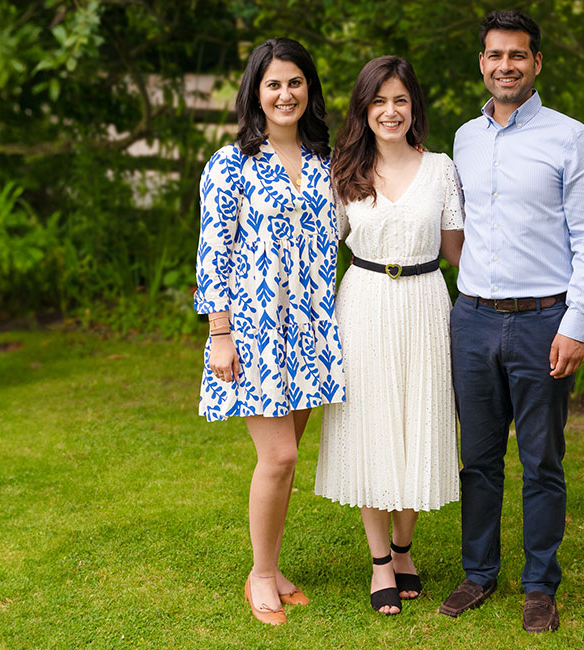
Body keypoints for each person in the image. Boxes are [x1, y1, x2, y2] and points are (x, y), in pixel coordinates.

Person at [438, 10, 584, 634]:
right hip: (474, 319)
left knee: (541, 460)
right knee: (478, 458)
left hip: (544, 321)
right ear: (481, 62)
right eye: (493, 55)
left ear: (537, 63)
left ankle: (540, 584)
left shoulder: (571, 138)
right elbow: (458, 225)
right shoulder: (463, 138)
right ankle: (478, 572)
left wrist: (575, 324)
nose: (504, 66)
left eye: (517, 55)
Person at [194, 37, 345, 626]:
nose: (286, 94)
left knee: (287, 457)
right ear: (256, 92)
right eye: (274, 84)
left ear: (310, 89)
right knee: (278, 455)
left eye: (296, 82)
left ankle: (275, 566)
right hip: (253, 328)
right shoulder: (230, 164)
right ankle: (260, 575)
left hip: (310, 326)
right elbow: (214, 252)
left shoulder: (326, 163)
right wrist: (220, 333)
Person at [314, 56, 465, 615]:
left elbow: (459, 254)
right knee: (373, 426)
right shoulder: (344, 171)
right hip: (365, 304)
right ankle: (381, 561)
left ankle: (405, 549)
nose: (390, 111)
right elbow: (317, 249)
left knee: (418, 422)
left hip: (427, 304)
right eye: (379, 101)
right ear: (364, 109)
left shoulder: (441, 168)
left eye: (400, 100)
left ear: (414, 107)